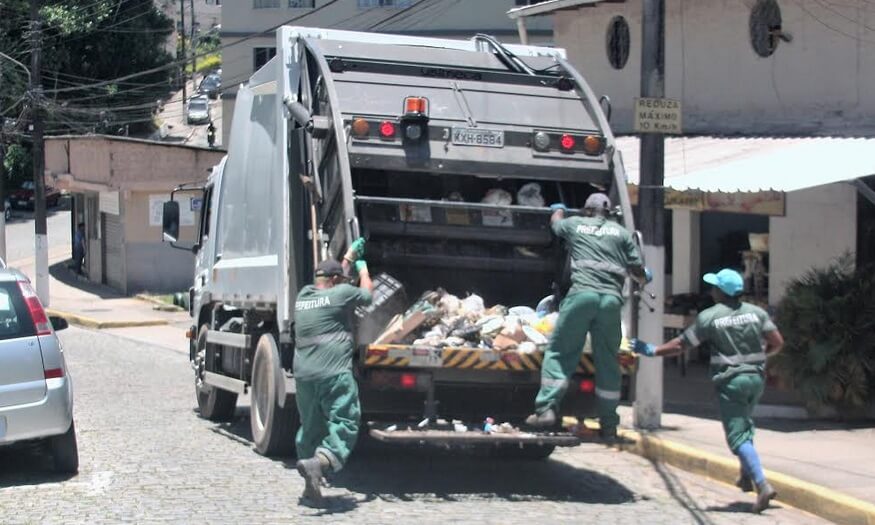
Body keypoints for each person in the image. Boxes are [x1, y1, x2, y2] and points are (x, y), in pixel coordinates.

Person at [630, 268, 784, 513]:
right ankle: (746, 476)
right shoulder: (756, 313)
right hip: (755, 379)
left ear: (720, 292)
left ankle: (762, 485)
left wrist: (652, 351)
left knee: (737, 436)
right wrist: (760, 359)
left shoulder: (710, 317)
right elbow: (777, 342)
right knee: (744, 424)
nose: (711, 291)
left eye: (714, 287)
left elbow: (682, 344)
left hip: (731, 382)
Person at [526, 193, 650, 440]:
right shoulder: (622, 234)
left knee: (561, 352)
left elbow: (556, 224)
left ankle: (547, 409)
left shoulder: (575, 225)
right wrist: (645, 276)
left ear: (586, 209)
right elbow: (638, 272)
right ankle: (609, 424)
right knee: (608, 362)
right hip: (610, 301)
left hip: (581, 296)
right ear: (609, 212)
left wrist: (559, 209)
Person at [294, 237, 372, 505]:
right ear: (338, 280)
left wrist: (347, 258)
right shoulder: (342, 294)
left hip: (304, 377)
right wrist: (362, 269)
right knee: (345, 421)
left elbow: (333, 280)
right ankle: (321, 462)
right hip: (334, 375)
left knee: (310, 428)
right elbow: (368, 295)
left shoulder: (304, 295)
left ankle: (310, 483)